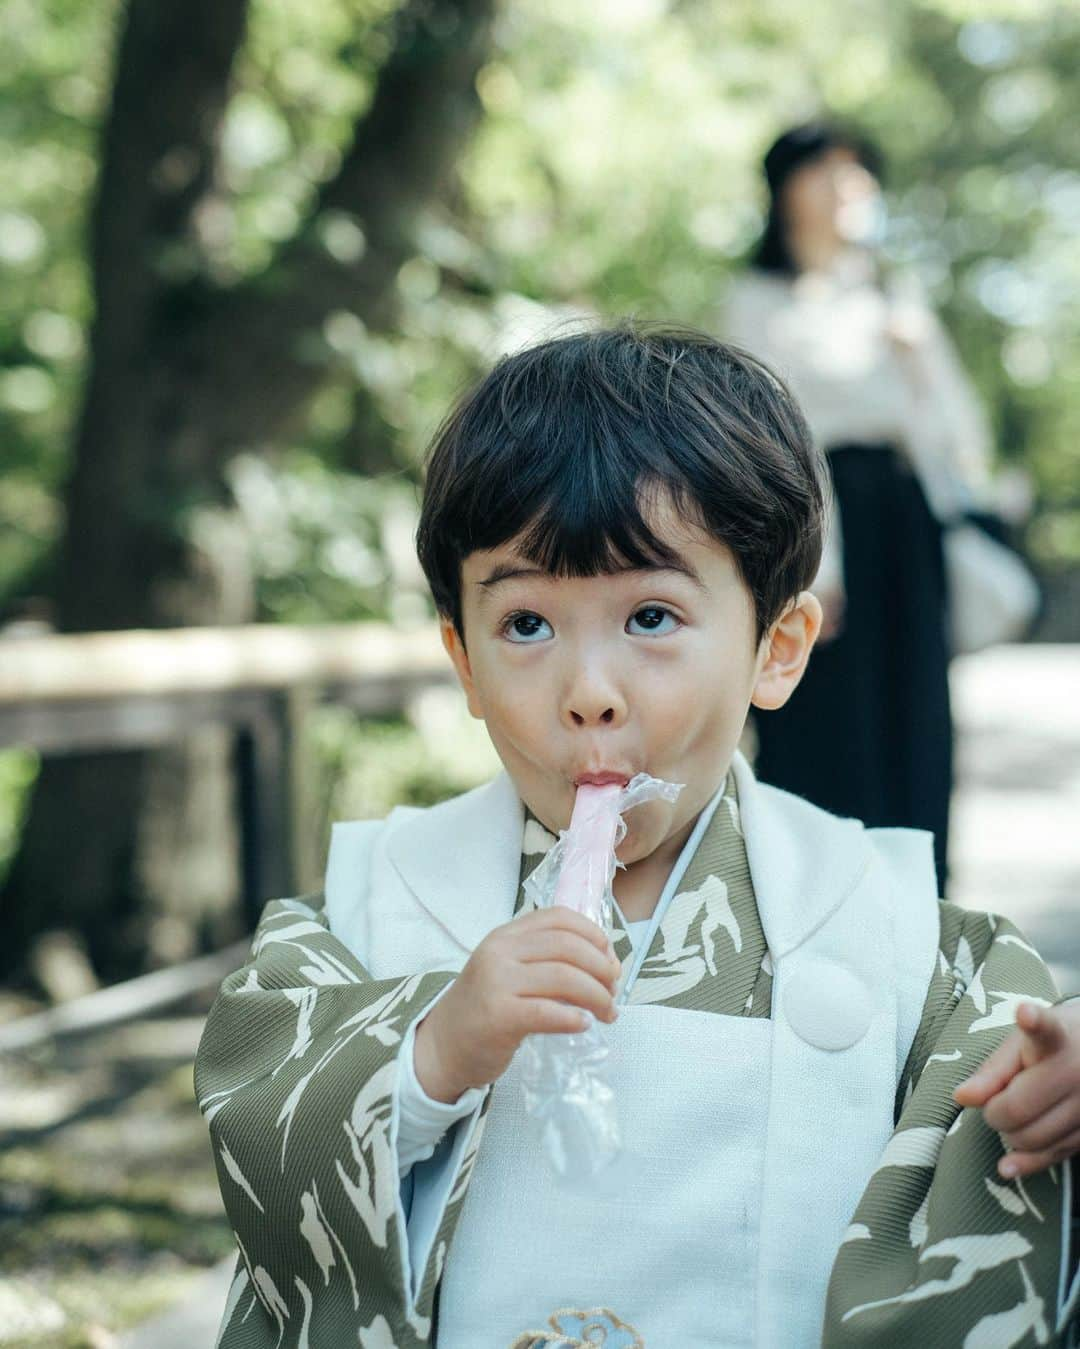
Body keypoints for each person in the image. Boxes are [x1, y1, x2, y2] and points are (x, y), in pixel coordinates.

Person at [194, 327, 1079, 1348]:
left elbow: (994, 1161)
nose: (590, 693)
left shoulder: (902, 942)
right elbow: (254, 1118)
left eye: (651, 615)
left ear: (776, 649)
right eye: (526, 624)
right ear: (464, 660)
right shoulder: (368, 909)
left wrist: (1051, 1093)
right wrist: (428, 1050)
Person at [724, 121, 997, 888]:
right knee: (826, 720)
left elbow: (960, 439)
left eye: (860, 173)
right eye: (829, 171)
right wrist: (816, 562)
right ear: (786, 190)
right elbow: (777, 437)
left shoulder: (891, 293)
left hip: (905, 526)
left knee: (915, 718)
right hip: (821, 527)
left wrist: (919, 359)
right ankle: (817, 903)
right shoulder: (756, 301)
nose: (850, 188)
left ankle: (920, 909)